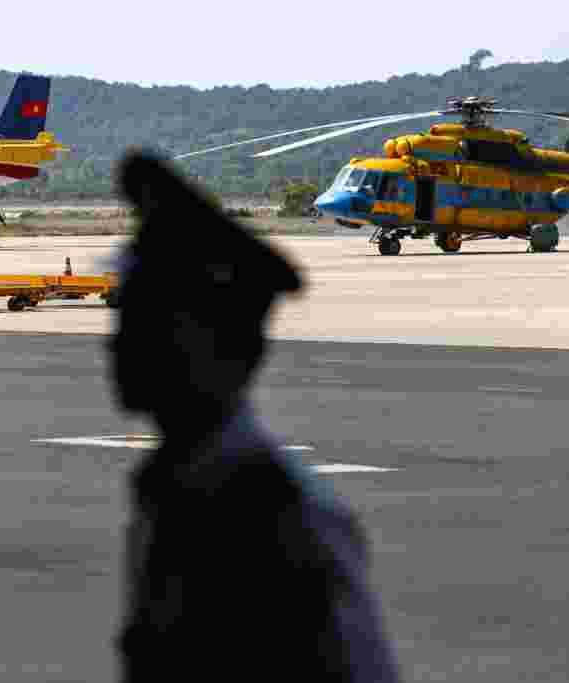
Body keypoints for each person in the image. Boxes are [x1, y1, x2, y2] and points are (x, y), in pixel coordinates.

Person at [108, 150, 399, 682]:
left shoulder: (267, 514)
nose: (118, 347)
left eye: (147, 325)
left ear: (222, 346)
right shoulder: (181, 486)